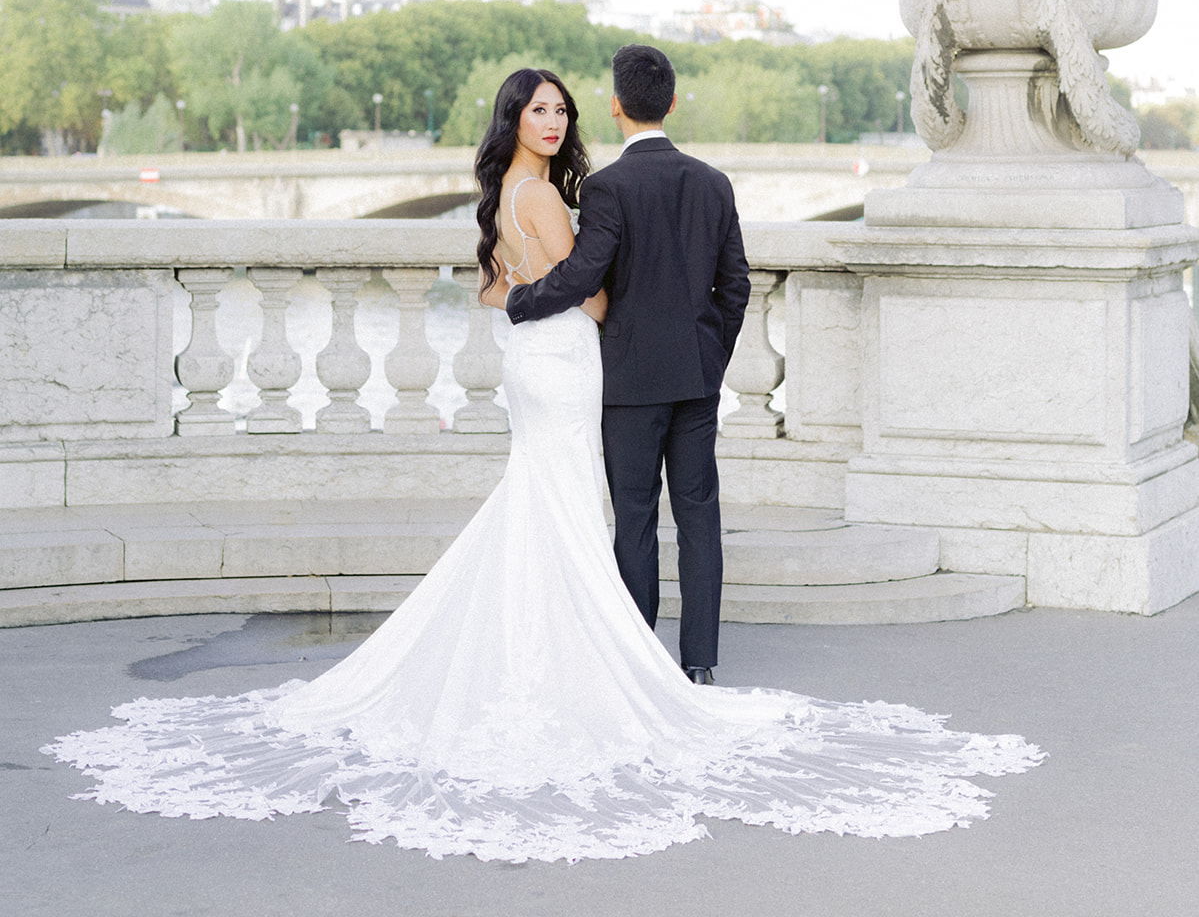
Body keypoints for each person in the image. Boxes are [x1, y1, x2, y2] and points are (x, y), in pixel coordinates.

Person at [45, 66, 1042, 863]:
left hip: (540, 366)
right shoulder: (605, 192)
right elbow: (603, 294)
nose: (553, 118)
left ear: (600, 106)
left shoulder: (519, 193)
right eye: (538, 108)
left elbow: (495, 288)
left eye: (561, 106)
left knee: (573, 510)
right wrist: (642, 319)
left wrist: (536, 297)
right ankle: (652, 658)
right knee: (620, 512)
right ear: (518, 120)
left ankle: (609, 649)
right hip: (581, 363)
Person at [502, 44, 749, 685]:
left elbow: (583, 275)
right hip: (697, 380)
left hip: (630, 382)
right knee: (699, 517)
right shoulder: (714, 184)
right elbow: (736, 286)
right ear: (671, 102)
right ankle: (698, 664)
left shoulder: (607, 188)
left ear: (615, 107)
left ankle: (639, 661)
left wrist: (520, 301)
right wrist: (710, 361)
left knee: (634, 518)